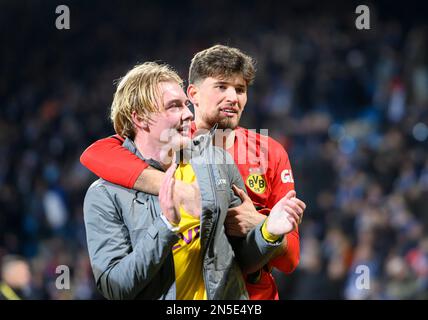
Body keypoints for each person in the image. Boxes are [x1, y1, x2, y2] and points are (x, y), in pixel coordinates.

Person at [80, 45, 306, 299]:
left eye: (240, 89)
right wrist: (174, 194)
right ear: (194, 94)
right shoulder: (170, 142)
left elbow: (288, 258)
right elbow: (95, 154)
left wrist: (264, 228)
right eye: (221, 86)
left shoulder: (264, 153)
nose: (233, 97)